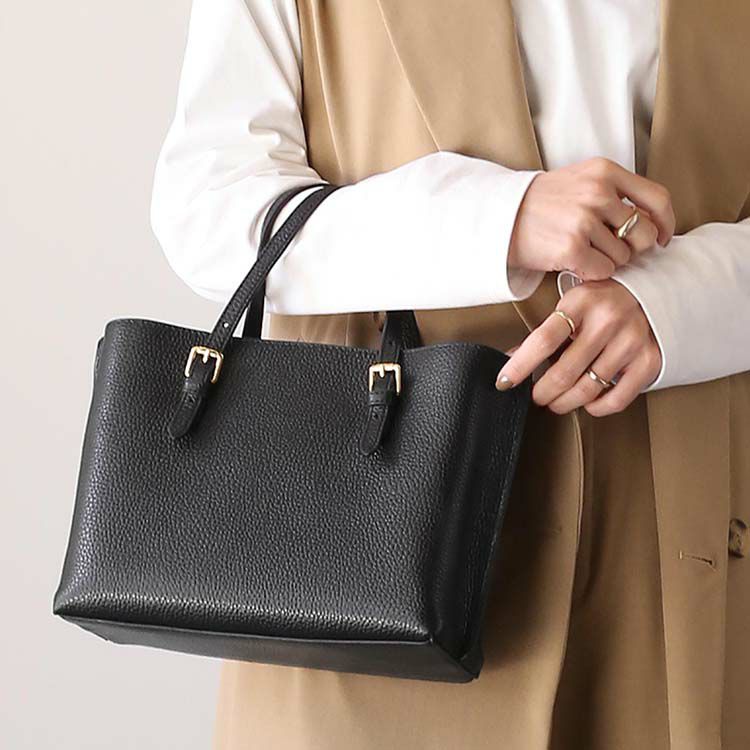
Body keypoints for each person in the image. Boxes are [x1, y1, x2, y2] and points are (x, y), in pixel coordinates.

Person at [150, 1, 750, 748]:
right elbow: (207, 204)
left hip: (684, 547)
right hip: (375, 546)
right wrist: (497, 219)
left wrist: (681, 301)